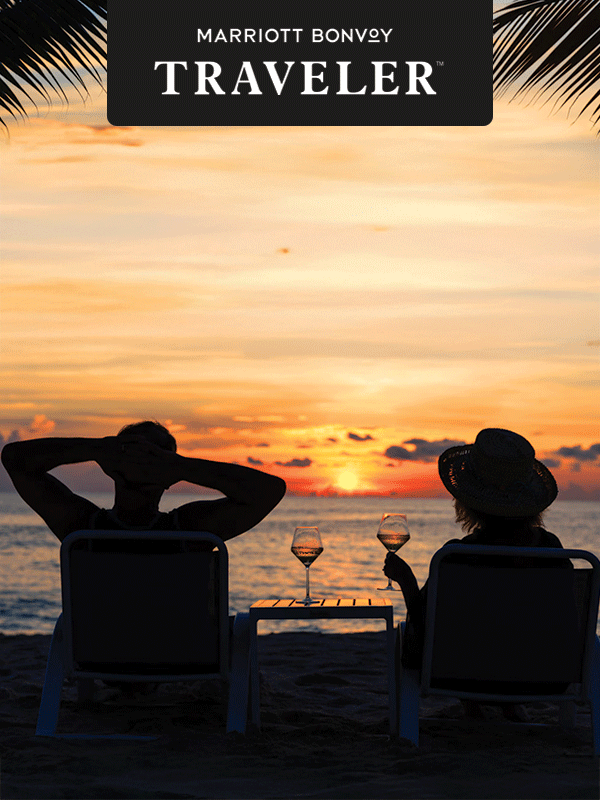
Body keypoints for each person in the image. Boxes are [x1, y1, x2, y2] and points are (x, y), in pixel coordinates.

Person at [383, 428, 566, 719]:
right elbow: (558, 617)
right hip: (544, 675)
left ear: (468, 501)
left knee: (421, 636)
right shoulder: (553, 551)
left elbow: (426, 625)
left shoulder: (457, 555)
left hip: (460, 675)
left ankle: (473, 704)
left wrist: (406, 580)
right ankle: (508, 703)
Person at [1, 420, 287, 542]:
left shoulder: (80, 527)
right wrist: (178, 466)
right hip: (185, 665)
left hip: (95, 664)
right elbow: (268, 492)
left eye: (153, 458)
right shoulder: (190, 531)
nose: (143, 463)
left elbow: (18, 462)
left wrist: (99, 450)